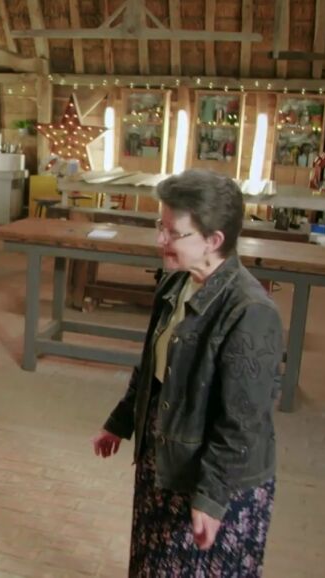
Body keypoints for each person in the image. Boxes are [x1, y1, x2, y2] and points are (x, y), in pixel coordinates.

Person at [92, 169, 284, 577]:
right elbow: (154, 368)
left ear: (213, 240)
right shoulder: (177, 283)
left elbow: (243, 423)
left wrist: (212, 498)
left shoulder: (249, 311)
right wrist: (120, 422)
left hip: (216, 478)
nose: (160, 240)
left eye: (172, 232)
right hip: (166, 457)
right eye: (159, 227)